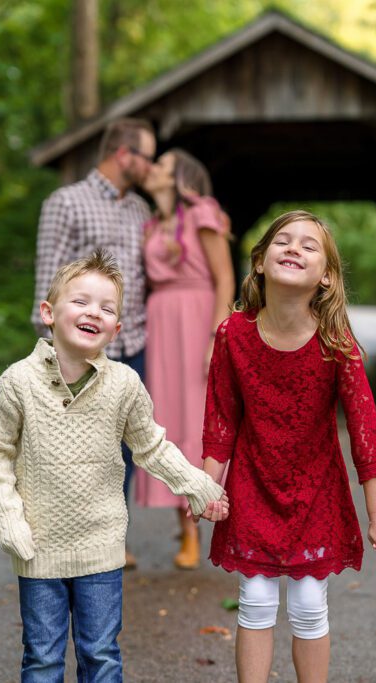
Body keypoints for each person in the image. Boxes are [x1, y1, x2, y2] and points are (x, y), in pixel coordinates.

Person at [0, 249, 229, 681]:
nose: (93, 312)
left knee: (101, 656)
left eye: (107, 308)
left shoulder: (124, 384)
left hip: (102, 547)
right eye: (80, 301)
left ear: (116, 328)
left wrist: (198, 484)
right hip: (38, 549)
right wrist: (9, 523)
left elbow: (152, 446)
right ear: (48, 312)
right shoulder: (18, 382)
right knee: (41, 658)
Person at [201, 210, 376, 683]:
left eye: (309, 245)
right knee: (254, 599)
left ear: (327, 278)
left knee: (308, 605)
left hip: (316, 489)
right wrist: (207, 485)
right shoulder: (232, 334)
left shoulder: (337, 342)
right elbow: (220, 419)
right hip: (253, 483)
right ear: (259, 262)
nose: (293, 248)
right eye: (283, 241)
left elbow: (365, 431)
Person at [31, 117, 156, 569]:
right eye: (147, 156)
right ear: (124, 154)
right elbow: (48, 278)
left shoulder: (142, 210)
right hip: (81, 350)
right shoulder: (66, 202)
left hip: (134, 342)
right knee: (70, 445)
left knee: (122, 448)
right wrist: (51, 350)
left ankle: (110, 541)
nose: (151, 165)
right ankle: (58, 538)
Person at [133, 148, 235, 570]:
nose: (153, 168)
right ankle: (186, 525)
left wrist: (217, 336)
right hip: (160, 324)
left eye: (163, 165)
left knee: (199, 420)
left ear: (182, 179)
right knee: (168, 422)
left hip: (198, 319)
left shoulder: (202, 214)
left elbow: (225, 277)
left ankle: (209, 512)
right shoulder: (150, 224)